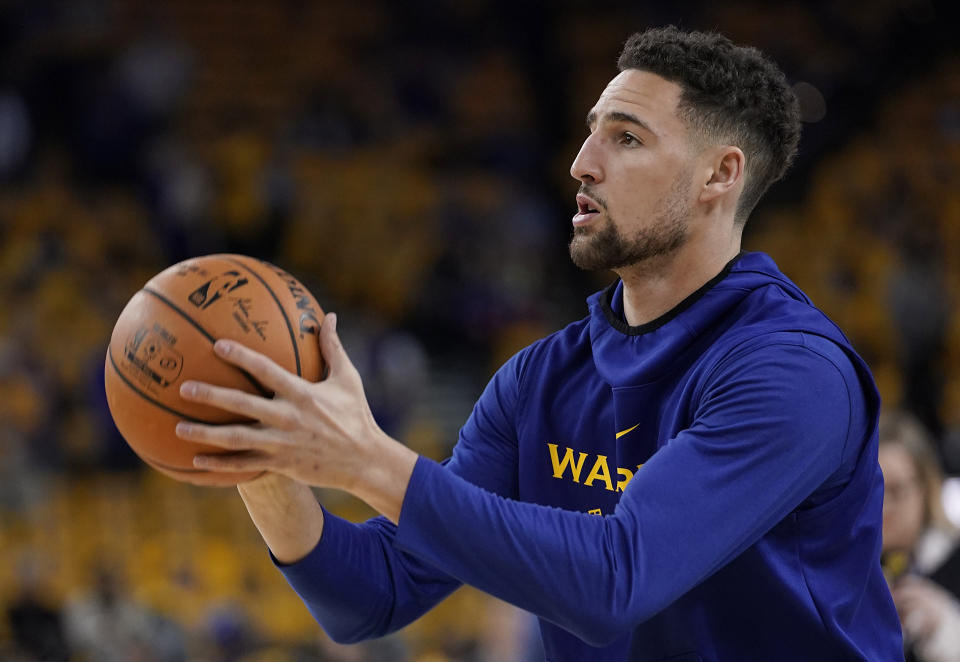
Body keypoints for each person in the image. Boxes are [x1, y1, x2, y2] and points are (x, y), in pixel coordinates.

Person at [173, 27, 904, 660]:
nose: (583, 162)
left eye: (626, 137)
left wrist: (366, 458)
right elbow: (372, 598)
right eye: (591, 131)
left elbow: (617, 581)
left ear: (720, 174)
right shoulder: (541, 379)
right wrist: (256, 447)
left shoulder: (795, 375)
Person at [879, 410, 960, 662]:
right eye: (875, 491)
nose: (883, 507)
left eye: (896, 490)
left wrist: (944, 625)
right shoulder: (845, 568)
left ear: (925, 488)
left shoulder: (953, 560)